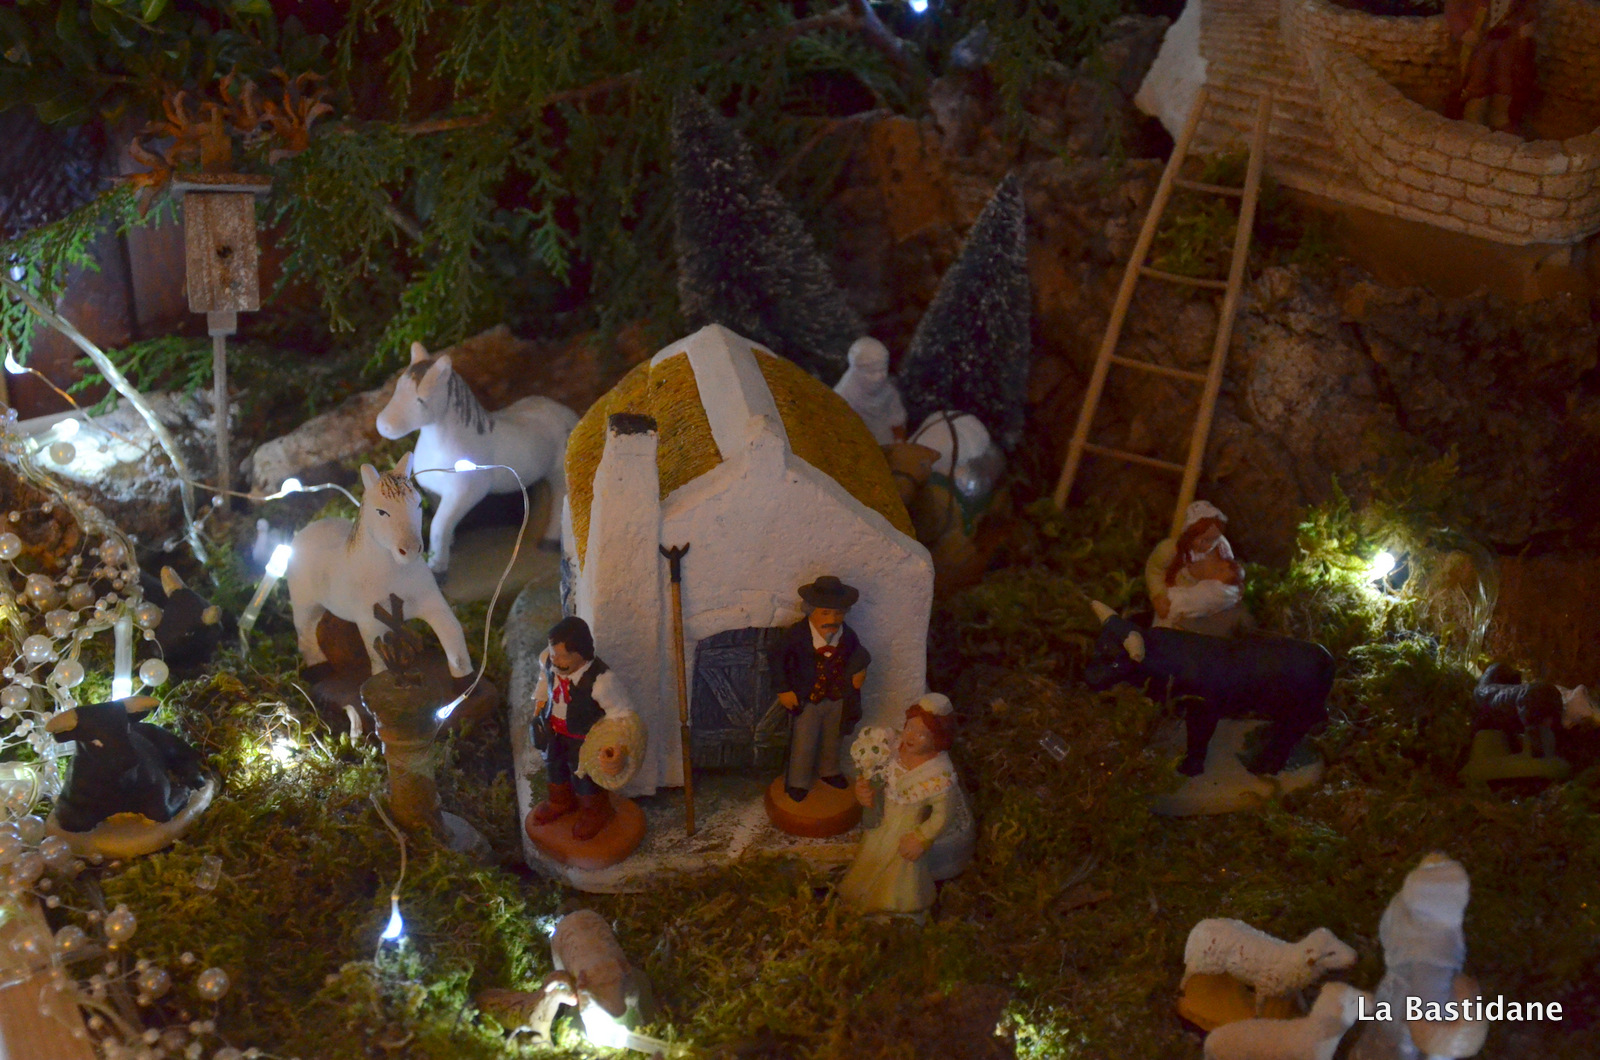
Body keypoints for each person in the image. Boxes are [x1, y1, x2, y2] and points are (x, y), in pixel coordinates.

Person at [839, 694, 971, 917]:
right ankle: (861, 901)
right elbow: (878, 780)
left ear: (937, 738)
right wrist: (866, 791)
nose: (910, 737)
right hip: (882, 826)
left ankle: (896, 910)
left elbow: (942, 815)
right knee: (869, 862)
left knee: (900, 876)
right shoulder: (894, 749)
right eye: (909, 727)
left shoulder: (939, 775)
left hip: (906, 832)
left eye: (921, 734)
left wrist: (922, 837)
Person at [527, 616, 637, 841]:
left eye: (562, 656)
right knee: (554, 766)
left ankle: (595, 812)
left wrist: (615, 745)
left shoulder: (601, 681)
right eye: (553, 653)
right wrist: (539, 707)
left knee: (584, 776)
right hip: (553, 731)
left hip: (583, 738)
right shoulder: (549, 662)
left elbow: (621, 714)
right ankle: (560, 801)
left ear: (581, 653)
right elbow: (543, 682)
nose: (555, 661)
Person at [773, 575, 871, 804]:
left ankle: (829, 770)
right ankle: (798, 781)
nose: (832, 619)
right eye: (825, 613)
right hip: (808, 699)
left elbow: (859, 653)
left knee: (833, 737)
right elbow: (776, 659)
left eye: (838, 613)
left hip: (837, 696)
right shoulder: (796, 635)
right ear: (810, 610)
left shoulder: (846, 635)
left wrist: (860, 668)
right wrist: (784, 689)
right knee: (804, 742)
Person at [1145, 501, 1248, 637]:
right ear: (1190, 533)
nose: (1209, 545)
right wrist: (1158, 594)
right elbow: (1154, 571)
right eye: (1204, 540)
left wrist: (1230, 587)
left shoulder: (1221, 547)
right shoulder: (1170, 551)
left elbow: (1230, 570)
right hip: (1176, 606)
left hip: (1204, 613)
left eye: (1214, 539)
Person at [1445, 0, 1537, 133]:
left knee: (1505, 77)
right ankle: (1473, 116)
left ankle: (1499, 116)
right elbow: (1453, 8)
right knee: (1477, 77)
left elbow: (1528, 7)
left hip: (1507, 39)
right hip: (1480, 39)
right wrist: (1463, 30)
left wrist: (1528, 23)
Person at [833, 337, 907, 446]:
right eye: (872, 372)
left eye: (882, 370)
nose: (879, 377)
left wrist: (899, 442)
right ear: (856, 370)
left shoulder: (887, 389)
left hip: (887, 443)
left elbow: (897, 419)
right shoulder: (843, 398)